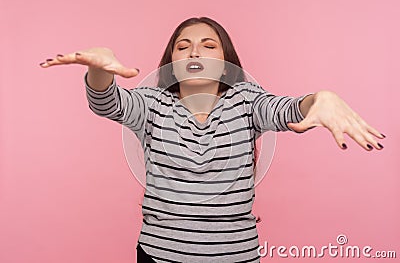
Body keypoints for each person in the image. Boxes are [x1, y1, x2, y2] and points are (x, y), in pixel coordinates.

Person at [40, 17, 385, 263]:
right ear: (171, 63)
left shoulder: (247, 99)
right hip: (159, 255)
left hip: (238, 256)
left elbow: (286, 109)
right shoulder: (152, 103)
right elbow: (108, 102)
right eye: (183, 46)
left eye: (208, 46)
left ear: (224, 63)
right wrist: (99, 69)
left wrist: (319, 98)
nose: (194, 53)